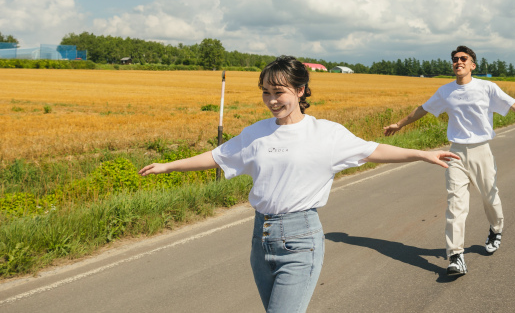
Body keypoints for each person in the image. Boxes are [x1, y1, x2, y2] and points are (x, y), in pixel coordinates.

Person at [139, 55, 458, 312]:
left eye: (278, 92)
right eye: (265, 92)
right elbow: (218, 156)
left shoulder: (326, 134)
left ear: (300, 90)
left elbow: (373, 150)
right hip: (260, 240)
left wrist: (420, 153)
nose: (271, 100)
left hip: (300, 238)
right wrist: (168, 165)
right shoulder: (256, 133)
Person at [383, 45, 515, 276]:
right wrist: (399, 124)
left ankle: (496, 229)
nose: (458, 62)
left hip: (481, 151)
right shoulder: (445, 92)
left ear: (472, 65)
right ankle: (456, 256)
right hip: (455, 153)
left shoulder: (487, 88)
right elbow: (423, 109)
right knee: (455, 205)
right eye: (455, 59)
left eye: (463, 58)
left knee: (490, 197)